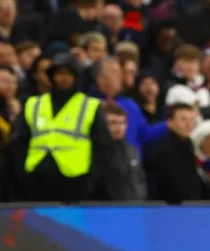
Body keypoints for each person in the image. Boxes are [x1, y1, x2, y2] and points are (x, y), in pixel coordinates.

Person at [8, 54, 112, 203]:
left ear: (76, 76)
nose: (63, 78)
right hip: (36, 178)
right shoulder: (33, 104)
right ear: (52, 77)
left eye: (68, 74)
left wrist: (92, 178)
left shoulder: (90, 105)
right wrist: (22, 174)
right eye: (59, 73)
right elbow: (20, 142)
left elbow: (103, 146)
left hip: (75, 180)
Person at [98, 103, 148, 201]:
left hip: (135, 208)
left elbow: (140, 179)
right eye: (113, 123)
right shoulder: (98, 152)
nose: (119, 128)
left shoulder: (131, 150)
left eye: (122, 123)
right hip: (108, 210)